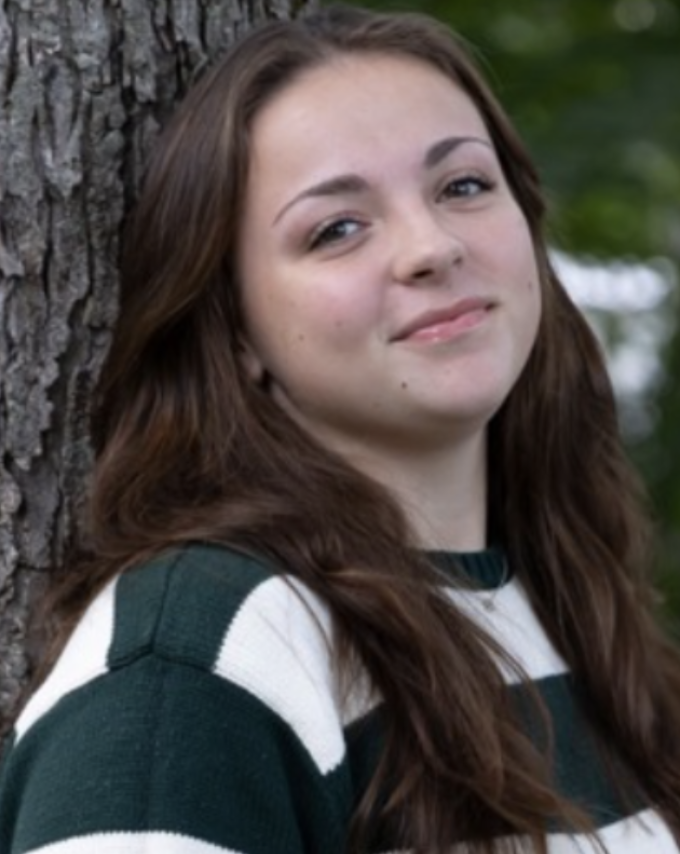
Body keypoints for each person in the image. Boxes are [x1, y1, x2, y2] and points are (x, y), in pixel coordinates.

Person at [1, 4, 679, 853]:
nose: (431, 246)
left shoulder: (565, 602)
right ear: (237, 332)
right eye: (337, 229)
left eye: (463, 185)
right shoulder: (203, 655)